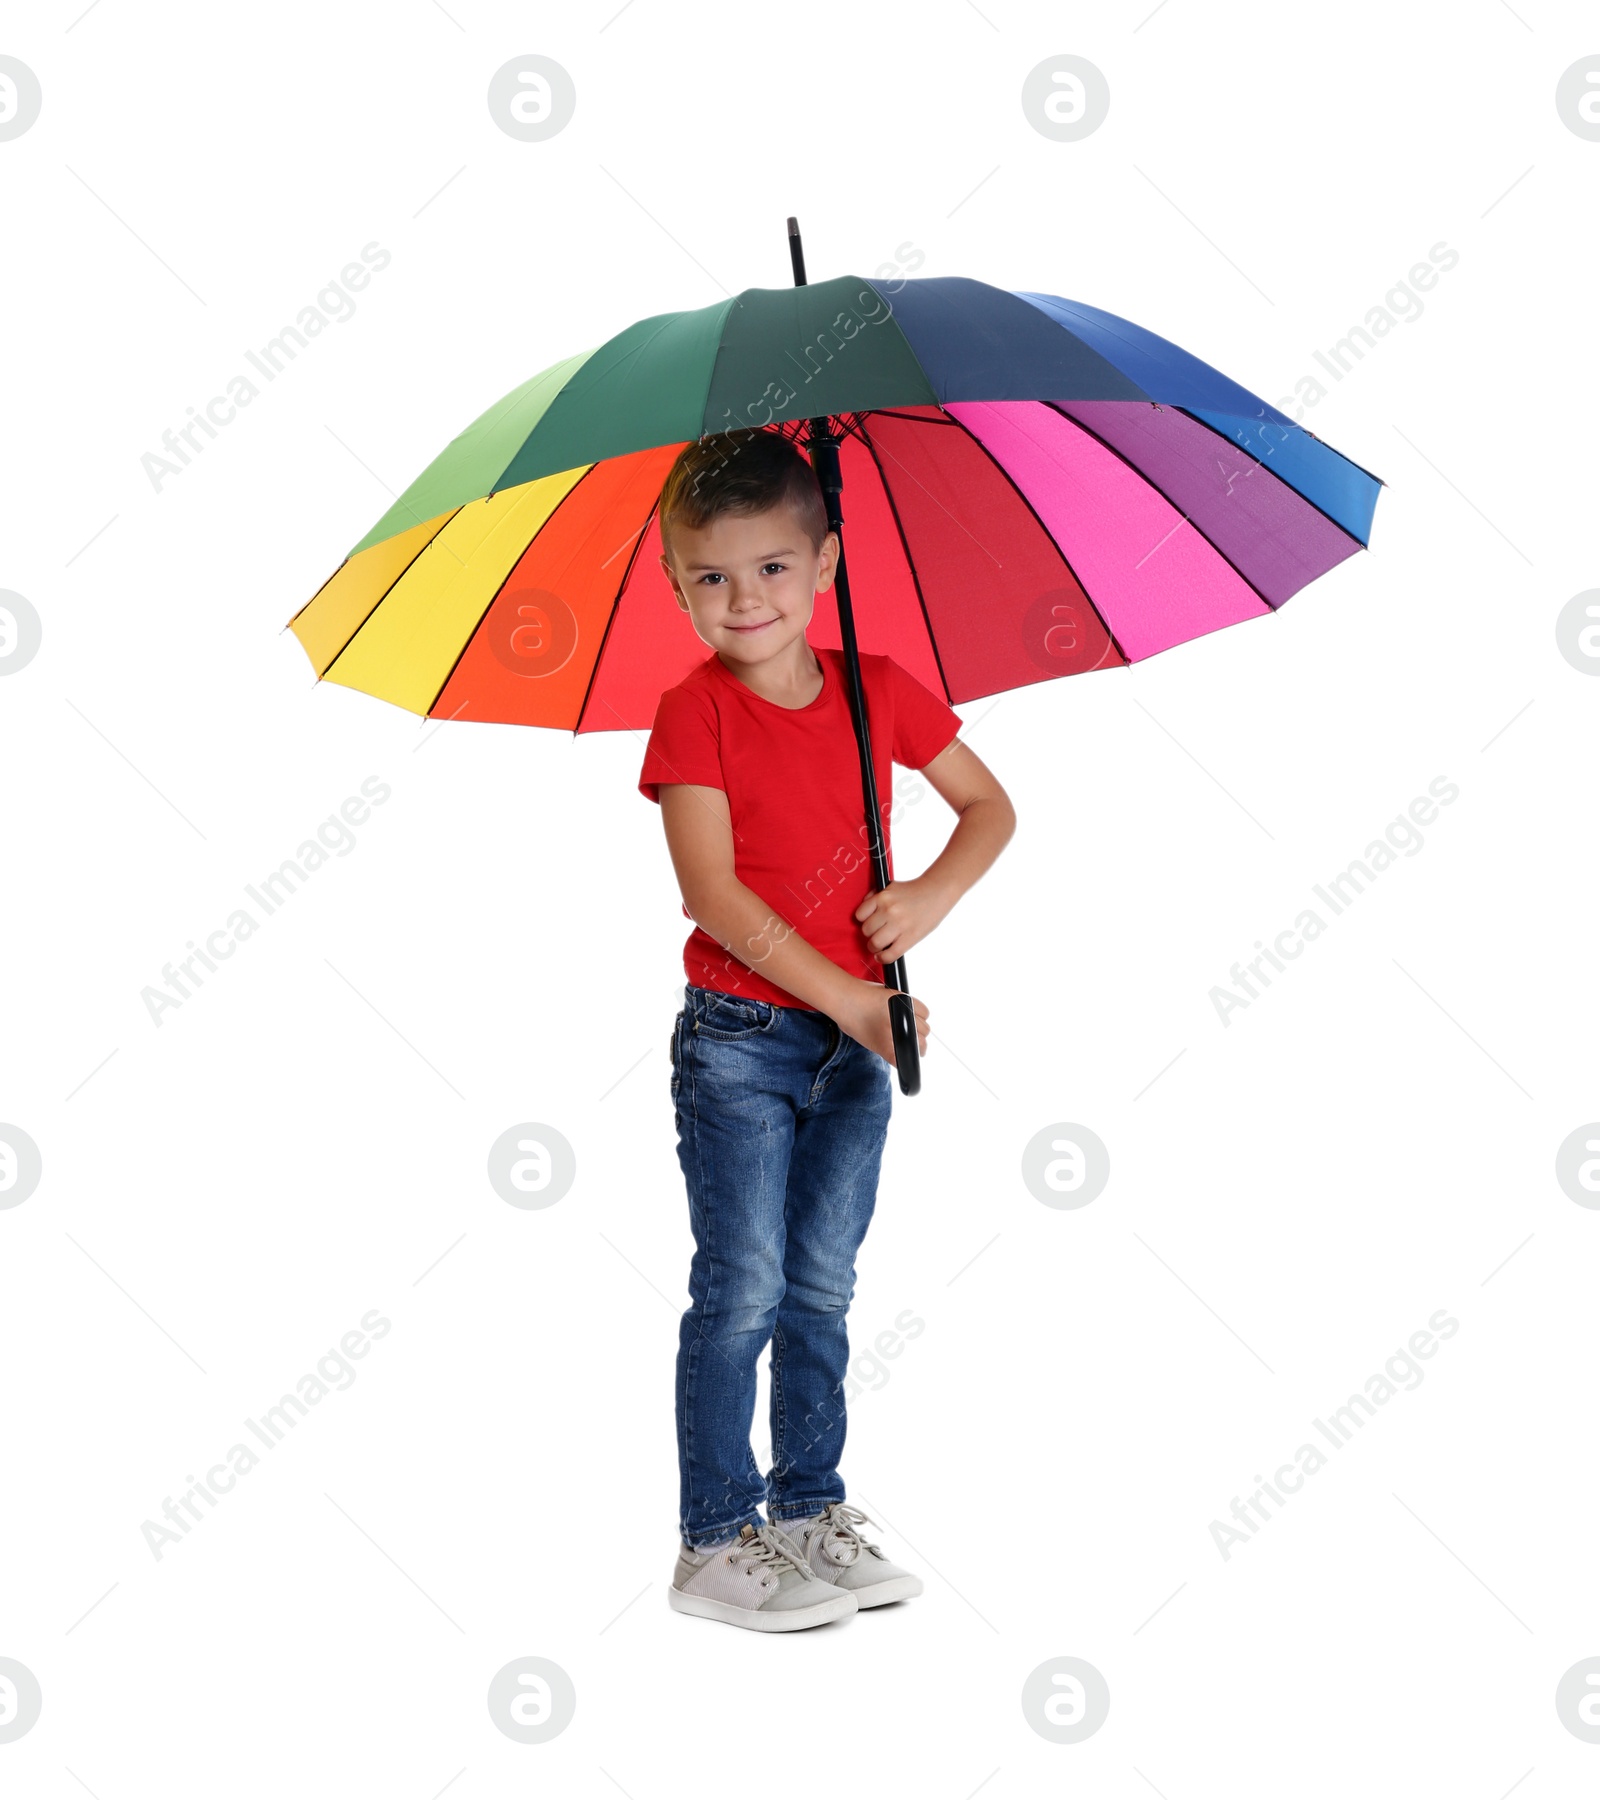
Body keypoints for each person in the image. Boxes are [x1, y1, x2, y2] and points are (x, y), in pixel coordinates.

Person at [637, 426, 1016, 1631]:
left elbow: (988, 806)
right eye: (711, 575)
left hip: (859, 1047)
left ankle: (809, 1506)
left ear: (827, 561)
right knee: (740, 1288)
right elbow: (713, 894)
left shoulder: (880, 691)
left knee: (821, 1286)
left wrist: (929, 897)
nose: (744, 598)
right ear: (675, 582)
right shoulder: (690, 714)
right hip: (744, 1038)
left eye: (773, 568)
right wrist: (850, 996)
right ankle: (712, 1539)